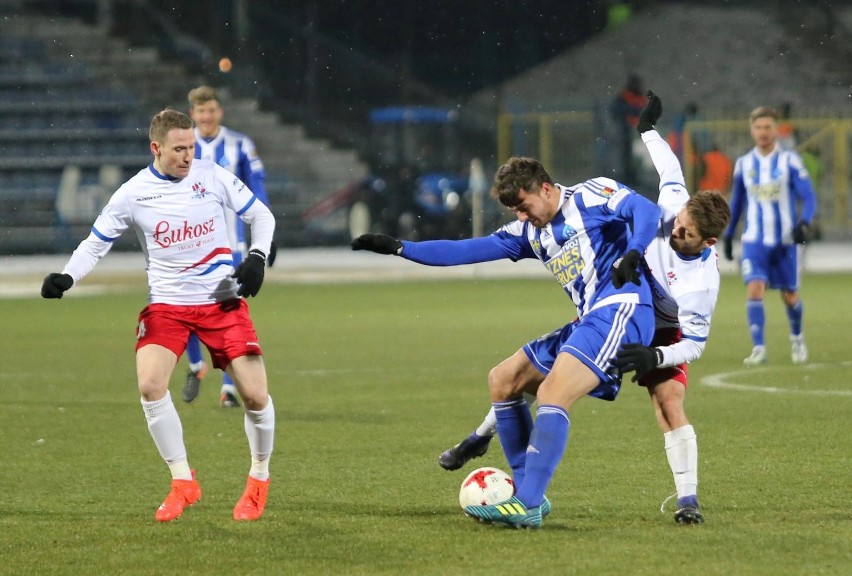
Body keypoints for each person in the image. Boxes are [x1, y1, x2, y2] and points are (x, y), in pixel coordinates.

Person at [437, 91, 731, 526]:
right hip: (614, 304)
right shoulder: (672, 208)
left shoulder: (701, 284)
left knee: (668, 399)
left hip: (661, 331)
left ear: (708, 243)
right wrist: (647, 129)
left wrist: (656, 356)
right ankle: (482, 437)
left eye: (686, 234)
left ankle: (688, 500)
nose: (674, 233)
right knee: (523, 377)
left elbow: (696, 343)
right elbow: (668, 168)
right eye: (678, 221)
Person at [352, 155, 662, 528]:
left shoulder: (591, 194)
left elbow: (645, 209)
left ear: (545, 189)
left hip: (623, 308)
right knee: (503, 380)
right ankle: (525, 495)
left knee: (552, 393)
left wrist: (635, 250)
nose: (521, 216)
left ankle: (528, 503)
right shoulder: (530, 232)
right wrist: (401, 248)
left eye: (523, 206)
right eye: (514, 210)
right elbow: (467, 250)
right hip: (588, 319)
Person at [40, 109, 277, 522]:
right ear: (156, 148)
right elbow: (95, 243)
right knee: (150, 385)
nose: (189, 156)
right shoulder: (133, 193)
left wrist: (256, 257)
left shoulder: (213, 175)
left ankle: (258, 480)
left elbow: (262, 215)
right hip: (167, 305)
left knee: (255, 395)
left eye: (191, 148)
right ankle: (183, 481)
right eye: (180, 149)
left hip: (221, 300)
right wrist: (67, 276)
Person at [183, 85, 276, 408]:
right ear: (193, 114)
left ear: (219, 112)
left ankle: (228, 388)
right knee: (185, 310)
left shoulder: (240, 145)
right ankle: (196, 366)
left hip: (231, 245)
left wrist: (264, 237)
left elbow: (257, 189)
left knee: (228, 315)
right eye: (201, 111)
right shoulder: (183, 146)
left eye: (211, 110)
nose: (206, 116)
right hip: (190, 243)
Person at [722, 106, 817, 366]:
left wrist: (805, 223)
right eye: (758, 127)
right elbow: (738, 201)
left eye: (767, 127)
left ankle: (797, 339)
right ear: (752, 130)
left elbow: (808, 196)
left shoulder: (790, 161)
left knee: (789, 295)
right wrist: (729, 235)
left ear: (776, 130)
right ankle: (759, 348)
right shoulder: (744, 163)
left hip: (785, 241)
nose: (763, 132)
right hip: (754, 240)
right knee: (754, 288)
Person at [609, 74, 645, 183]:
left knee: (635, 157)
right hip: (627, 131)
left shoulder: (636, 97)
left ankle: (634, 177)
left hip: (637, 131)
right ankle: (628, 178)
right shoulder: (624, 97)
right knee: (626, 157)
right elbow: (617, 112)